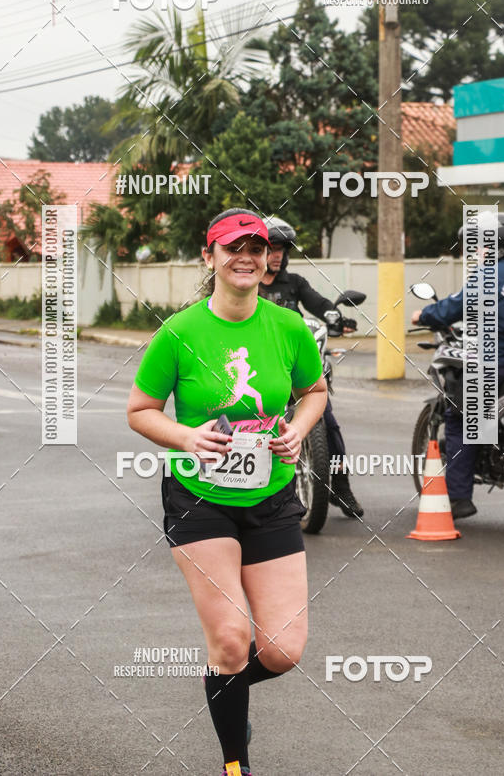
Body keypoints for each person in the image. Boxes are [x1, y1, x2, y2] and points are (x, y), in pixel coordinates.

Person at [127, 208, 327, 776]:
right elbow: (140, 411)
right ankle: (234, 762)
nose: (246, 257)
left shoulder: (287, 328)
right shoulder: (180, 332)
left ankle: (223, 684)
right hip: (199, 499)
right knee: (234, 639)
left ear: (269, 262)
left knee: (281, 651)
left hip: (272, 497)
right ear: (209, 256)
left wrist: (297, 430)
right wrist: (187, 437)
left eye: (257, 249)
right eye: (233, 247)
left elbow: (315, 391)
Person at [411, 213, 504, 520]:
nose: (478, 252)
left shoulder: (487, 277)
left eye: (481, 246)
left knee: (461, 417)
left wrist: (423, 316)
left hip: (500, 366)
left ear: (497, 247)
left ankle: (459, 498)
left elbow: (452, 307)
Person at [258, 216, 364, 518]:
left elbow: (319, 304)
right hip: (259, 372)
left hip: (299, 370)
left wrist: (334, 316)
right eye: (271, 248)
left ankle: (341, 487)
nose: (277, 255)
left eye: (282, 249)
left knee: (329, 425)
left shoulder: (295, 283)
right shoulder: (248, 284)